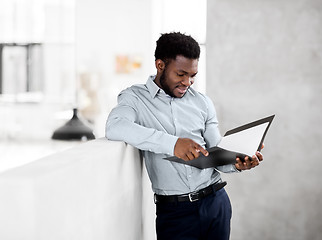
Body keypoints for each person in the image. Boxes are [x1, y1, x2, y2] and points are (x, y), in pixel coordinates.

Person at [106, 32, 264, 240]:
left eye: (192, 76)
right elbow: (115, 127)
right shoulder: (135, 98)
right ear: (160, 65)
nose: (187, 82)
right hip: (175, 214)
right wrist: (173, 144)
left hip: (216, 202)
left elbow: (215, 152)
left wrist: (237, 162)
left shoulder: (202, 103)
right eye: (180, 74)